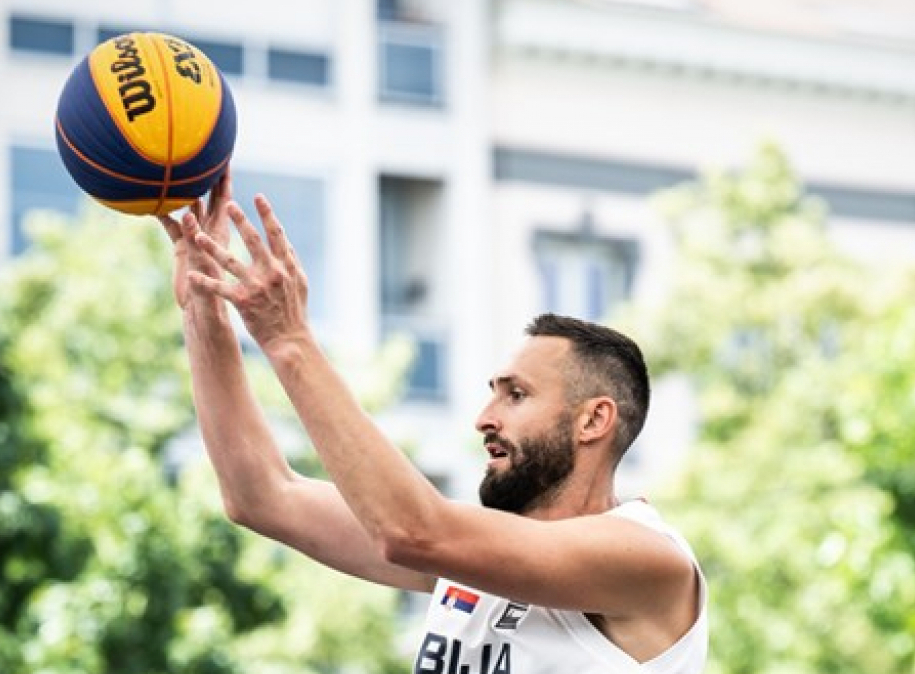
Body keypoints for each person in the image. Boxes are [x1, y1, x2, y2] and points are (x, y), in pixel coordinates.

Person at [159, 173, 708, 672]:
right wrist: (204, 309)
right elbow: (262, 495)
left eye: (516, 395)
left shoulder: (649, 560)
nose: (484, 419)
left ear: (594, 420)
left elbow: (411, 531)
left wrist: (289, 340)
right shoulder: (472, 558)